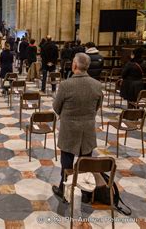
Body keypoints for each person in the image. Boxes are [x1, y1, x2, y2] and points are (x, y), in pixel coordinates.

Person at [52, 53, 103, 202]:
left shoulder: (66, 85)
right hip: (87, 129)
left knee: (66, 162)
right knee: (86, 162)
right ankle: (86, 192)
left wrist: (67, 115)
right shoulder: (97, 84)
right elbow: (97, 106)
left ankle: (64, 189)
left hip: (69, 130)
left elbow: (56, 107)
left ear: (74, 65)